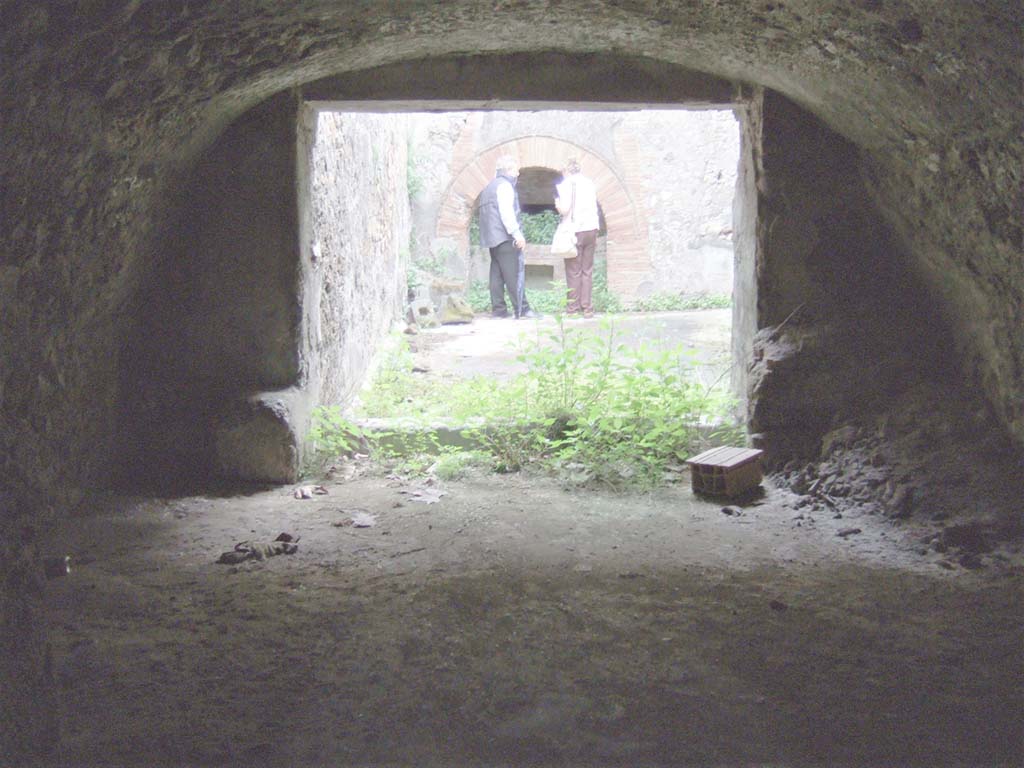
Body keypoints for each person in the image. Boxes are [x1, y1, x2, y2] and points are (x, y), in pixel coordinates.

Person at [477, 155, 539, 319]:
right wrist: (517, 234)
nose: (518, 173)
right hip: (505, 237)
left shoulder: (489, 187)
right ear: (509, 170)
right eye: (515, 170)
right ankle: (523, 309)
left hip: (492, 238)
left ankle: (499, 310)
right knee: (514, 274)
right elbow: (507, 214)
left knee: (496, 275)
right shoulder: (505, 186)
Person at [555, 158, 600, 318]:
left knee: (573, 270)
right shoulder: (590, 183)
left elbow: (565, 210)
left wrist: (558, 205)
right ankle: (587, 307)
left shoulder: (566, 185)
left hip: (574, 231)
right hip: (591, 229)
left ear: (567, 171)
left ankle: (572, 308)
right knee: (587, 269)